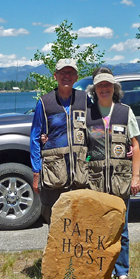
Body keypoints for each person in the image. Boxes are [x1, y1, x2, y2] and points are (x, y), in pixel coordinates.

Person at [86, 67, 140, 279]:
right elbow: (79, 143)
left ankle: (122, 273)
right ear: (95, 89)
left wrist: (135, 177)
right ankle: (103, 272)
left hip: (120, 180)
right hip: (96, 181)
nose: (104, 88)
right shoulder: (87, 114)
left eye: (107, 84)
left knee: (121, 229)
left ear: (114, 88)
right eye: (100, 85)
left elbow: (135, 146)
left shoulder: (125, 112)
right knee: (99, 228)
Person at [30, 58, 88, 224]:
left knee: (80, 222)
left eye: (71, 73)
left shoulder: (85, 100)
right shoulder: (45, 102)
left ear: (76, 77)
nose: (67, 76)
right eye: (63, 72)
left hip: (80, 174)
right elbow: (35, 138)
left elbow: (96, 130)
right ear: (55, 76)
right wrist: (36, 172)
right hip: (54, 174)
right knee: (55, 222)